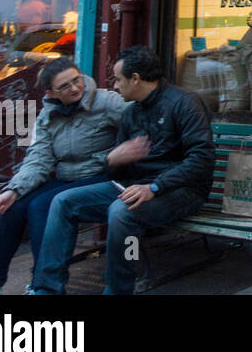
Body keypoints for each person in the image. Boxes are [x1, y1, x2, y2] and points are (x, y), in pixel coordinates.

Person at [30, 45, 215, 295]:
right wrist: (113, 160)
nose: (115, 86)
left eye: (118, 79)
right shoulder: (131, 113)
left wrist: (154, 187)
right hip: (135, 186)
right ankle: (47, 289)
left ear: (135, 78)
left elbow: (202, 159)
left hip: (181, 190)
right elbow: (118, 173)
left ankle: (117, 290)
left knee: (121, 211)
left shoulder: (184, 103)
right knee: (62, 201)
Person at [0, 57, 128, 295]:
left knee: (41, 206)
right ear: (51, 92)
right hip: (68, 177)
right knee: (14, 206)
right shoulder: (48, 115)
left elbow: (138, 130)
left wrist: (113, 157)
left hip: (102, 176)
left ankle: (42, 284)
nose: (75, 88)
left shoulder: (107, 102)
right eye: (65, 86)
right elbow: (38, 158)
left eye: (76, 80)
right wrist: (13, 189)